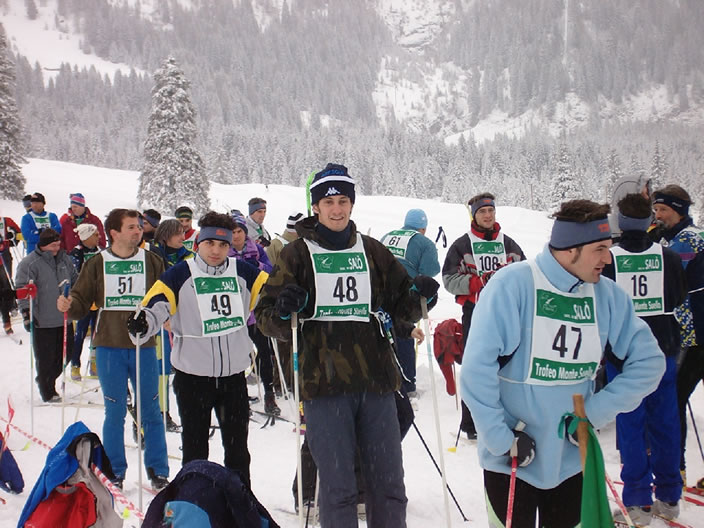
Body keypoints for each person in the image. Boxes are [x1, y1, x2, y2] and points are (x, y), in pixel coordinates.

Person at [461, 199, 665, 528]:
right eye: (599, 249)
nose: (608, 258)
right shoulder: (513, 285)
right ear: (571, 250)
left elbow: (650, 362)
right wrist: (500, 439)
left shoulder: (607, 296)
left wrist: (593, 413)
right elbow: (475, 370)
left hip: (572, 458)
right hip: (512, 457)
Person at [255, 162, 439, 528]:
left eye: (343, 201)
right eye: (328, 202)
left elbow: (403, 307)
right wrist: (286, 309)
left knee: (388, 485)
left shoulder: (373, 251)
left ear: (352, 204)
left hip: (376, 382)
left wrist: (423, 296)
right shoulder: (297, 255)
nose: (336, 209)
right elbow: (264, 316)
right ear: (316, 207)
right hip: (324, 385)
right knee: (337, 489)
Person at [127, 211, 268, 489]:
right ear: (198, 243)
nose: (216, 251)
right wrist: (144, 322)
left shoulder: (243, 272)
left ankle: (239, 503)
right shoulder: (180, 274)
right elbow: (155, 304)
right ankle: (193, 503)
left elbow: (272, 290)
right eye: (210, 243)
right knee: (195, 450)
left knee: (238, 452)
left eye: (223, 245)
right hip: (193, 378)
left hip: (233, 378)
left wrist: (289, 299)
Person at [56, 209, 169, 490]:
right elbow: (80, 300)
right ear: (114, 233)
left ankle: (158, 470)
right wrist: (69, 305)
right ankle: (115, 470)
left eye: (139, 227)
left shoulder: (152, 260)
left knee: (151, 410)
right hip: (109, 346)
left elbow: (168, 294)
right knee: (115, 411)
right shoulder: (98, 263)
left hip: (144, 346)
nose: (138, 231)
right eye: (131, 227)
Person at [602, 193, 687, 523]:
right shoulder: (669, 257)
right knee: (665, 423)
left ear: (621, 222)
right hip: (662, 349)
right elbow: (678, 297)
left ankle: (638, 502)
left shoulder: (609, 258)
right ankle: (669, 495)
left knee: (632, 427)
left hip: (624, 354)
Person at [443, 193, 525, 438]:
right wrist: (478, 282)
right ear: (474, 215)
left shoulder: (508, 244)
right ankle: (471, 424)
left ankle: (507, 419)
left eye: (491, 211)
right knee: (475, 369)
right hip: (475, 313)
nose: (488, 216)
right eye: (482, 212)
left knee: (508, 367)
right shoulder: (462, 245)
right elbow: (449, 280)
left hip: (506, 314)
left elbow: (524, 275)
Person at [651, 185, 704, 487]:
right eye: (655, 209)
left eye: (664, 210)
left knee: (674, 400)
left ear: (680, 211)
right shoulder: (675, 238)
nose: (658, 215)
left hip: (694, 335)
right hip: (691, 333)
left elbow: (668, 274)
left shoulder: (687, 240)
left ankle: (676, 469)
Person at [380, 208, 440, 394]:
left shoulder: (387, 236)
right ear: (423, 228)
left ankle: (386, 379)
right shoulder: (424, 243)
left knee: (383, 333)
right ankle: (406, 385)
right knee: (405, 333)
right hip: (404, 295)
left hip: (379, 291)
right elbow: (430, 272)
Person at [15, 229, 77, 402]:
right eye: (52, 246)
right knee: (45, 359)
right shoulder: (30, 263)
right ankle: (47, 389)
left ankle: (48, 379)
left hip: (64, 318)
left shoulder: (65, 259)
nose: (56, 248)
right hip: (42, 320)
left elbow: (75, 280)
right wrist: (26, 313)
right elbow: (22, 290)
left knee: (65, 355)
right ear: (42, 245)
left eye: (58, 244)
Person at [229, 210, 279, 415]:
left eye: (239, 231)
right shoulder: (223, 251)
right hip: (234, 313)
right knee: (238, 356)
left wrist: (257, 265)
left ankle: (269, 395)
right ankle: (239, 396)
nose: (236, 236)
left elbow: (271, 272)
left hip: (255, 311)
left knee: (265, 353)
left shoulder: (256, 249)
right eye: (232, 232)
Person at [149, 218, 195, 431]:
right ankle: (162, 411)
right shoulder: (153, 257)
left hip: (186, 319)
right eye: (178, 233)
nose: (182, 237)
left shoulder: (189, 257)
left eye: (183, 233)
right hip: (162, 322)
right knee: (162, 370)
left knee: (189, 368)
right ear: (165, 236)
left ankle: (191, 412)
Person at [67, 224, 102, 381]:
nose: (99, 237)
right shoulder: (76, 253)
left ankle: (94, 362)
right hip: (84, 300)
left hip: (98, 298)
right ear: (86, 237)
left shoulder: (100, 251)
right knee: (80, 333)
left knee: (97, 332)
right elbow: (76, 277)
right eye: (95, 235)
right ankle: (75, 364)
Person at [608, 174, 652, 240]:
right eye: (642, 195)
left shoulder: (654, 227)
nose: (647, 197)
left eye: (647, 193)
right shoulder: (604, 231)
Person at [0, 214, 21, 334]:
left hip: (4, 257)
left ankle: (10, 310)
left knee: (6, 286)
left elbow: (17, 233)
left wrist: (11, 236)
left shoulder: (5, 221)